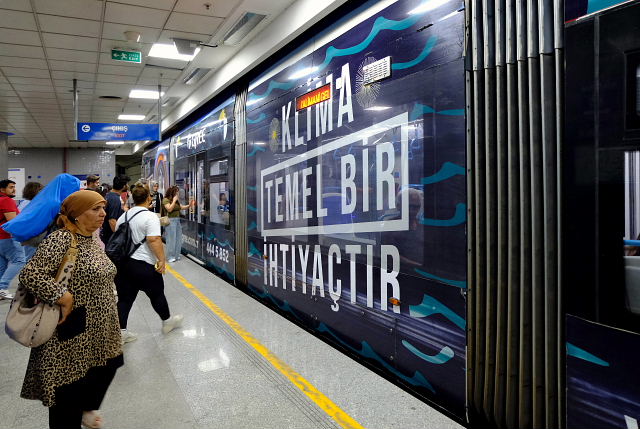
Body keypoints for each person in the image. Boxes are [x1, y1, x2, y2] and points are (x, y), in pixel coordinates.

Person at [18, 190, 123, 429]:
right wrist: (62, 297)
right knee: (67, 399)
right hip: (72, 335)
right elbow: (30, 274)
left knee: (110, 363)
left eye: (103, 208)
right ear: (76, 214)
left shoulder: (90, 239)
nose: (103, 213)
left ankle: (86, 408)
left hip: (98, 330)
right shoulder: (62, 239)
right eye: (95, 209)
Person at [115, 185, 183, 343]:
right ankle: (167, 322)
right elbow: (154, 239)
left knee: (125, 299)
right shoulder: (149, 216)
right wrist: (162, 260)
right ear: (148, 198)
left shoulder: (123, 217)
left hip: (123, 265)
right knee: (157, 293)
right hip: (143, 264)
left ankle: (121, 332)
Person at [0, 179, 25, 300]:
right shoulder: (7, 200)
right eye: (11, 187)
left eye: (14, 187)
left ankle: (0, 290)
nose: (14, 189)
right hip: (8, 237)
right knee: (19, 261)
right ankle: (3, 287)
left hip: (1, 238)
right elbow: (12, 222)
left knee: (2, 265)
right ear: (2, 189)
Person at [162, 186, 194, 263]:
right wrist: (174, 201)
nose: (178, 193)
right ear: (172, 192)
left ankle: (176, 255)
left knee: (178, 239)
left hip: (177, 221)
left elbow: (181, 207)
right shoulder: (166, 200)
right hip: (170, 221)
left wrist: (189, 205)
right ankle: (170, 256)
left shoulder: (176, 201)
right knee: (171, 239)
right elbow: (169, 209)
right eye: (176, 192)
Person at [17, 182, 44, 261]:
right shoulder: (34, 204)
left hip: (25, 236)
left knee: (28, 258)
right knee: (31, 259)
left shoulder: (24, 203)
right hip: (32, 237)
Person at [100, 174, 129, 245]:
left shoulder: (109, 195)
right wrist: (119, 237)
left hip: (106, 235)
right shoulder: (115, 199)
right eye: (127, 184)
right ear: (124, 186)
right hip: (110, 238)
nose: (128, 186)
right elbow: (112, 221)